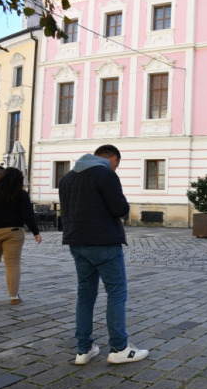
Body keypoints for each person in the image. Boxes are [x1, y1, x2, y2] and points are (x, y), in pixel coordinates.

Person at [59, 144, 148, 366]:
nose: (116, 169)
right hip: (104, 242)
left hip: (77, 242)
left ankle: (83, 349)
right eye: (117, 165)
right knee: (116, 293)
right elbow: (119, 209)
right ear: (113, 160)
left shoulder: (68, 177)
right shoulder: (105, 173)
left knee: (85, 295)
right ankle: (119, 347)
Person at [0, 167, 41, 305]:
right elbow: (28, 214)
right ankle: (14, 297)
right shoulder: (20, 194)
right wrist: (35, 232)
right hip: (13, 231)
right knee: (12, 263)